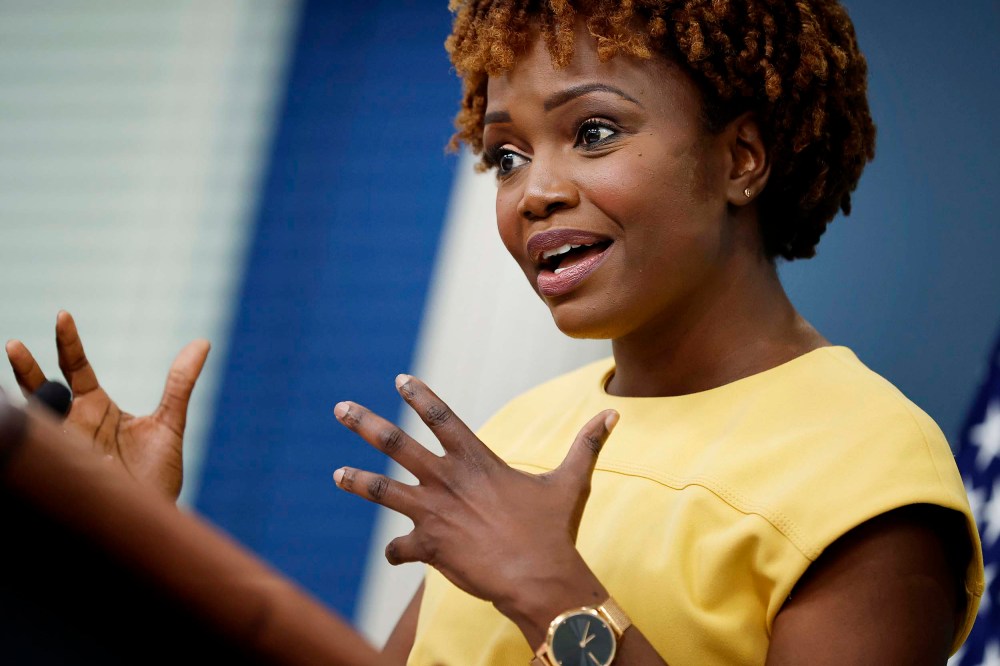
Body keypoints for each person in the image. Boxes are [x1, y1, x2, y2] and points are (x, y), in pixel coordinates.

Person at [6, 1, 984, 664]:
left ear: (741, 159)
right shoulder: (525, 431)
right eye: (506, 154)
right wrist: (127, 536)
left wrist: (558, 600)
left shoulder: (869, 477)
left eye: (592, 132)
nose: (534, 192)